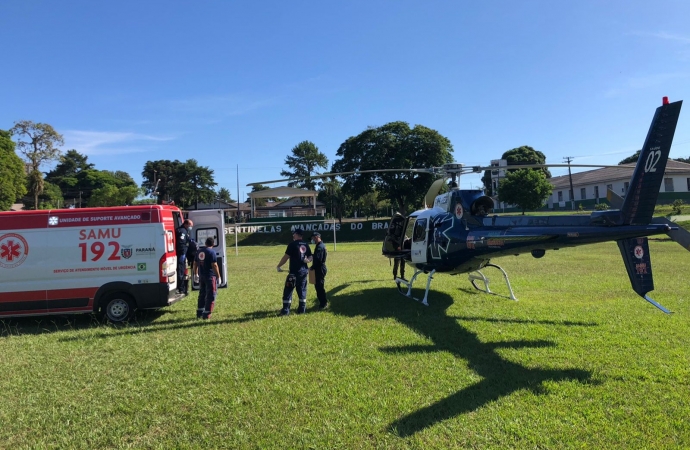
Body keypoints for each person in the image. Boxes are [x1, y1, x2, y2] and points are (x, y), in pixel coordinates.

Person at [276, 228, 312, 315]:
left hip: (294, 273)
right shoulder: (306, 244)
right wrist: (308, 260)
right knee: (302, 291)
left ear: (296, 234)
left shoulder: (292, 244)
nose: (293, 235)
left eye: (294, 234)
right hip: (303, 272)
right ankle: (302, 310)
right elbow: (311, 256)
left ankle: (285, 311)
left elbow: (286, 257)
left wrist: (279, 266)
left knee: (288, 291)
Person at [193, 237, 221, 320]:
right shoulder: (211, 252)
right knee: (211, 294)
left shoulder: (199, 251)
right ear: (213, 244)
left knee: (202, 293)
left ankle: (199, 312)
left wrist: (195, 274)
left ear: (205, 243)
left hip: (202, 276)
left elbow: (195, 263)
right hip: (210, 276)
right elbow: (214, 265)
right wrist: (218, 276)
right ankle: (207, 314)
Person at [310, 232, 328, 310]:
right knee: (318, 286)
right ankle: (322, 302)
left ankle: (323, 303)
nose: (312, 240)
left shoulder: (320, 246)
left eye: (313, 238)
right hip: (319, 267)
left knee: (319, 287)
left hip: (320, 268)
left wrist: (312, 267)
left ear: (317, 237)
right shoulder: (319, 245)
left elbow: (318, 259)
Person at [175, 219, 194, 295]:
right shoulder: (182, 231)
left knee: (182, 271)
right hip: (181, 254)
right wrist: (183, 253)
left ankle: (182, 287)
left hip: (183, 254)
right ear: (186, 224)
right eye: (190, 226)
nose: (191, 227)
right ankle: (181, 288)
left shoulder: (184, 231)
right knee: (180, 271)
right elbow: (181, 243)